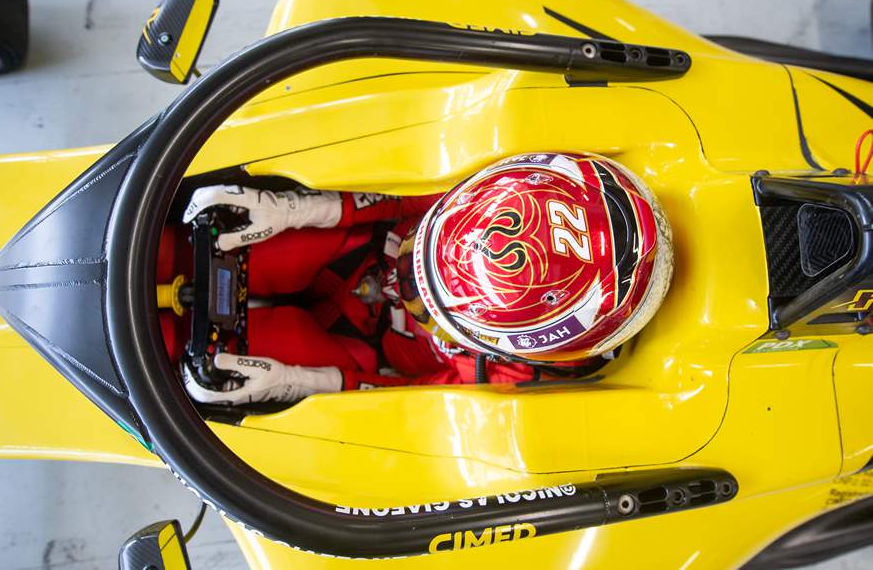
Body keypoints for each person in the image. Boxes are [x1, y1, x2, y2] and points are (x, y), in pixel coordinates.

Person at [175, 152, 672, 405]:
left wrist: (302, 382)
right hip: (354, 239)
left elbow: (419, 396)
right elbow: (422, 185)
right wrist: (302, 208)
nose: (400, 287)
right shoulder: (503, 189)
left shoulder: (519, 370)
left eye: (424, 302)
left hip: (361, 352)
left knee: (250, 357)